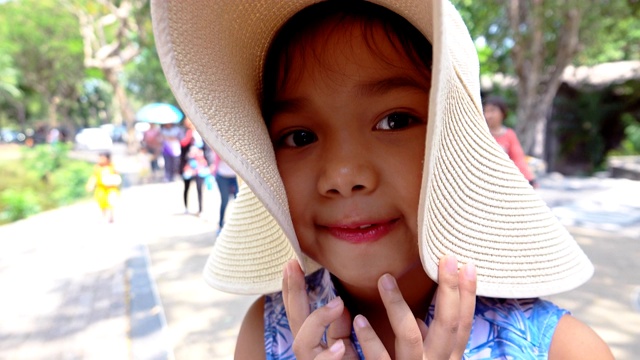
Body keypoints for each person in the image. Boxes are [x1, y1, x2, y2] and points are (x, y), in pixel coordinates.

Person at [152, 0, 614, 359]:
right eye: (298, 136)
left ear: (453, 141)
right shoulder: (268, 334)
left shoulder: (560, 350)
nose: (342, 176)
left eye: (394, 121)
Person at [483, 96, 538, 187]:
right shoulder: (480, 133)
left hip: (503, 181)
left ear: (503, 113)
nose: (488, 115)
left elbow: (518, 159)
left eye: (492, 111)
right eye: (486, 111)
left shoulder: (509, 135)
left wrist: (529, 179)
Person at [180, 118, 213, 215]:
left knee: (199, 187)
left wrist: (209, 163)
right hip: (188, 164)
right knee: (187, 186)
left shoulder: (201, 134)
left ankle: (201, 209)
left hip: (200, 164)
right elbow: (183, 146)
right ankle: (186, 207)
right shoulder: (185, 133)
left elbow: (207, 149)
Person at [85, 151, 121, 223]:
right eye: (100, 158)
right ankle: (103, 213)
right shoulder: (97, 167)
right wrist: (90, 184)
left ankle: (111, 215)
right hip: (101, 188)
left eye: (102, 158)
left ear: (107, 159)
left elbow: (117, 175)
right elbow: (94, 177)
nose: (100, 160)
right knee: (101, 201)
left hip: (111, 188)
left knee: (111, 201)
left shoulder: (112, 166)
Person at [211, 151, 238, 230]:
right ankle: (220, 223)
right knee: (225, 200)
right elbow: (216, 160)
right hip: (222, 176)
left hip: (235, 177)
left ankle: (237, 222)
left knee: (238, 199)